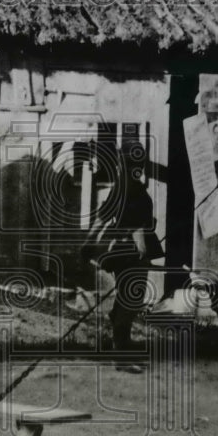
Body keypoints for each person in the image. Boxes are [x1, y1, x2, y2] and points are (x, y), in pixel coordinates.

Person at [81, 149, 160, 373]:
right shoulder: (137, 193)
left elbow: (100, 219)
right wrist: (143, 252)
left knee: (125, 300)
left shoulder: (117, 190)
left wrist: (88, 244)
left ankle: (119, 335)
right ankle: (121, 357)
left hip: (118, 253)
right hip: (132, 253)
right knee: (131, 301)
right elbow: (137, 228)